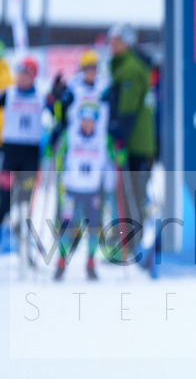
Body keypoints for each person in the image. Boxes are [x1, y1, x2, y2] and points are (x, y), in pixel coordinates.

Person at [107, 24, 156, 255]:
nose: (111, 46)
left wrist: (119, 133)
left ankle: (133, 243)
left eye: (115, 41)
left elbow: (128, 107)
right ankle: (130, 241)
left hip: (135, 142)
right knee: (134, 193)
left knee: (132, 194)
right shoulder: (128, 65)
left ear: (126, 43)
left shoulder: (129, 68)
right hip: (141, 142)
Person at [53, 103, 113, 281]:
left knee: (94, 228)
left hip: (92, 191)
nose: (87, 124)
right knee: (67, 228)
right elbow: (58, 155)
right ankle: (61, 262)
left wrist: (119, 151)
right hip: (72, 189)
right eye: (84, 120)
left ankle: (91, 262)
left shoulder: (103, 138)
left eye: (91, 121)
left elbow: (111, 160)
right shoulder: (69, 135)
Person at [0, 56, 47, 233]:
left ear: (33, 76)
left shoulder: (40, 96)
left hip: (30, 151)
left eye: (27, 75)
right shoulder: (9, 93)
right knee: (5, 193)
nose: (22, 78)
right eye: (20, 73)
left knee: (25, 194)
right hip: (11, 149)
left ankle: (21, 229)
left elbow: (54, 111)